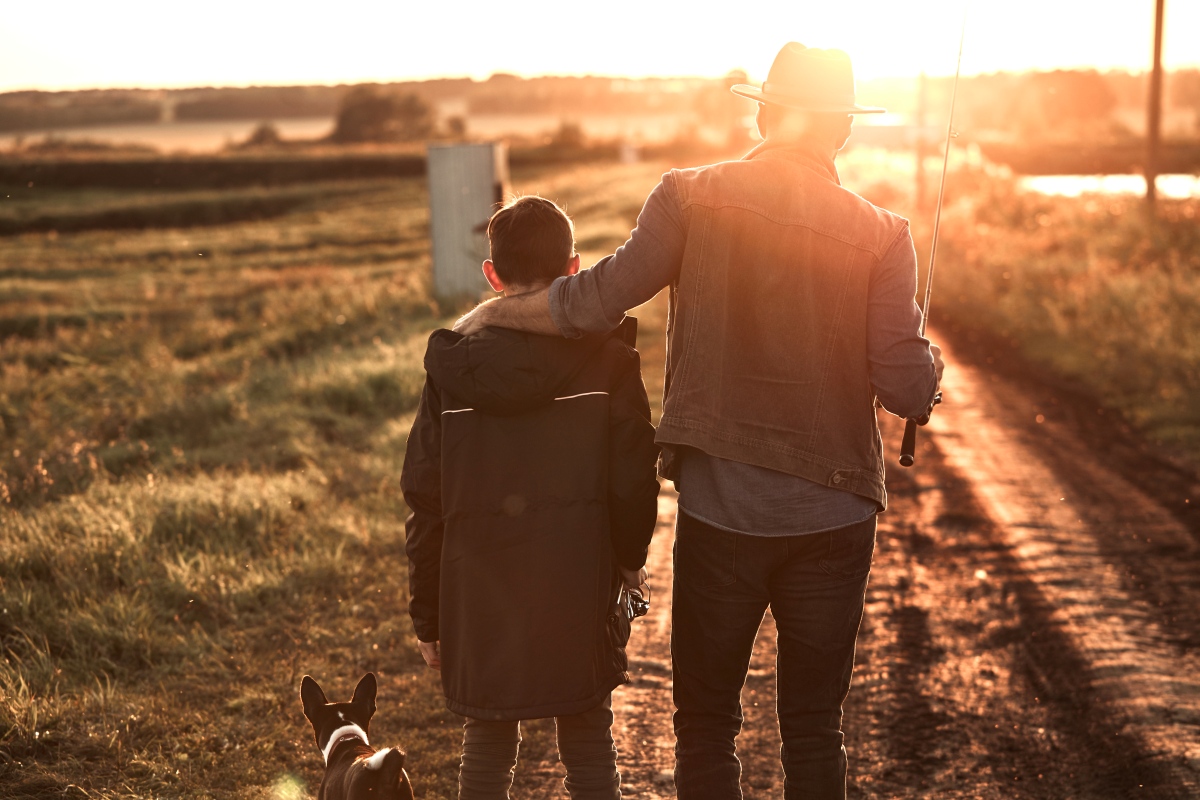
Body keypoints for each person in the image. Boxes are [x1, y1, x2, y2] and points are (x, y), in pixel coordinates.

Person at [452, 43, 945, 800]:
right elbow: (906, 387)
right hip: (835, 515)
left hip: (723, 514)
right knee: (816, 727)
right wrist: (930, 371)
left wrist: (491, 318)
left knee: (708, 725)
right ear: (840, 132)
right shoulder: (885, 234)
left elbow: (592, 303)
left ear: (764, 112)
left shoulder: (687, 196)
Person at [402, 196, 660, 800]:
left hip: (477, 585)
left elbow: (426, 500)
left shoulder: (451, 372)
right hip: (578, 578)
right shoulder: (609, 362)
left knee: (487, 743)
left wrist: (429, 615)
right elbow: (633, 480)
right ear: (573, 270)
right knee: (588, 735)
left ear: (491, 276)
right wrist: (628, 566)